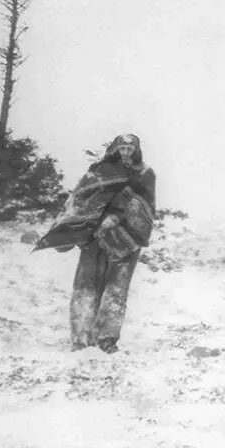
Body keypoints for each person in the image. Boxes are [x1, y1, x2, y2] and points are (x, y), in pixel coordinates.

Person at [34, 134, 156, 353]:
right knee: (85, 286)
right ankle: (80, 339)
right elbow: (80, 198)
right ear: (114, 149)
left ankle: (106, 340)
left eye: (130, 149)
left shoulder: (145, 174)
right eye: (122, 148)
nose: (125, 152)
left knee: (116, 290)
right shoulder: (99, 171)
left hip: (125, 240)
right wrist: (74, 225)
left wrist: (117, 217)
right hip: (95, 238)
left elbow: (146, 206)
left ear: (136, 151)